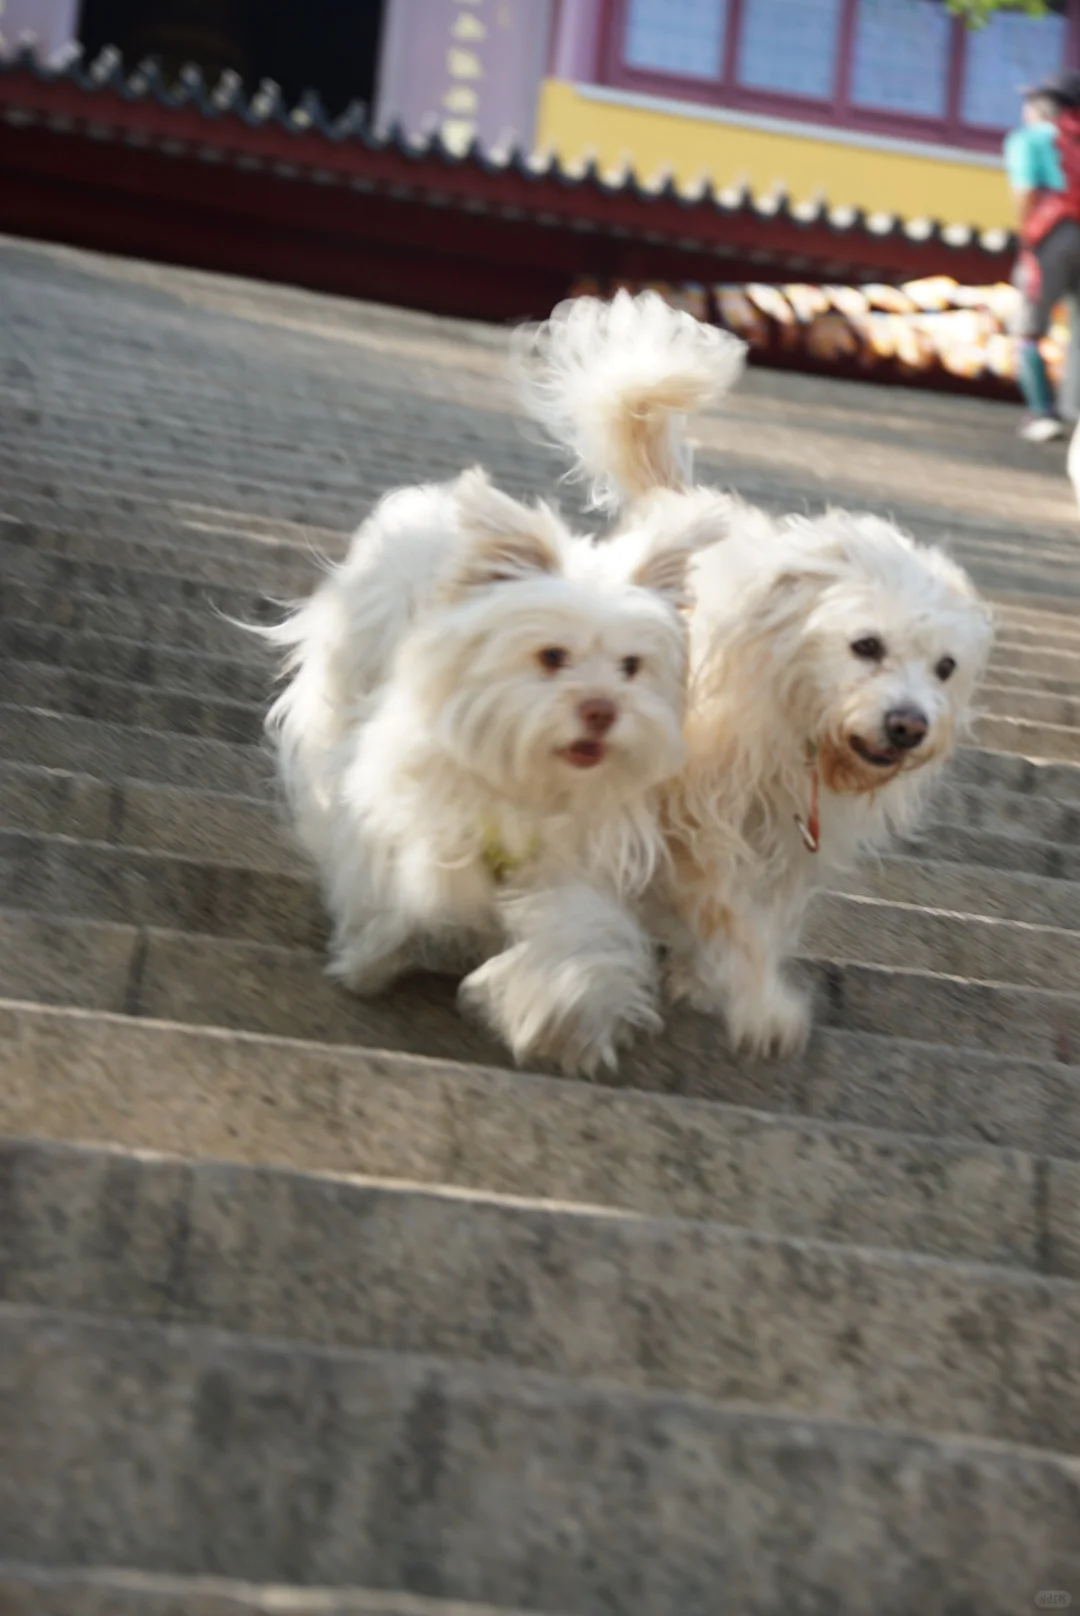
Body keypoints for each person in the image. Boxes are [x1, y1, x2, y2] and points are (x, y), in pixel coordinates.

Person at [1004, 71, 1080, 443]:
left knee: (1028, 326)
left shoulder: (1030, 138)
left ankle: (1041, 412)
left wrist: (1026, 233)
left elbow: (1026, 191)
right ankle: (1075, 413)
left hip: (1053, 233)